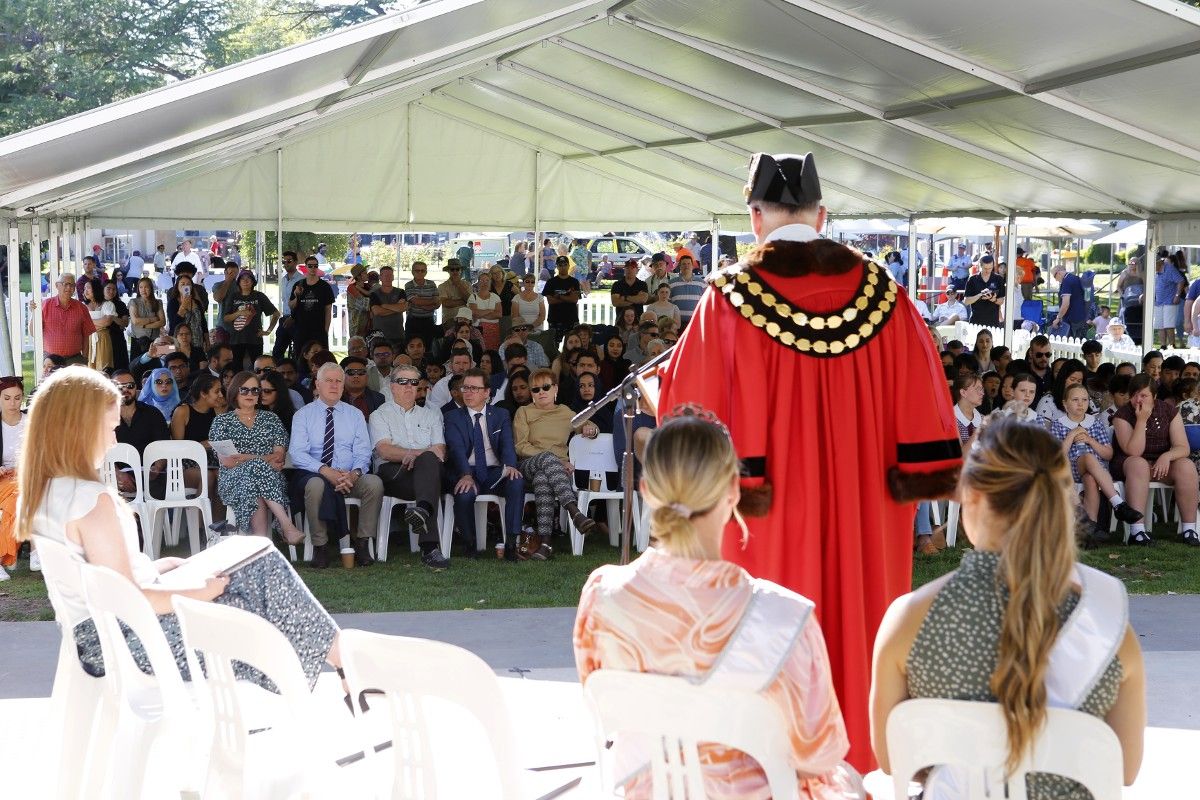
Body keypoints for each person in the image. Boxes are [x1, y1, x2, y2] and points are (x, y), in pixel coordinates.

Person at [658, 152, 961, 771]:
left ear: (755, 217)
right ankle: (862, 768)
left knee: (765, 651)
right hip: (866, 516)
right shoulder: (887, 295)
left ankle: (767, 771)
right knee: (867, 632)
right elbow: (927, 408)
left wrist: (654, 392)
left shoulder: (726, 300)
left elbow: (688, 420)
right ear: (822, 215)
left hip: (766, 525)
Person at [575, 411, 864, 799]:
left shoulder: (601, 596)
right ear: (733, 490)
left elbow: (602, 706)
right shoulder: (786, 617)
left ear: (645, 489)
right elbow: (818, 755)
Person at [16, 367, 342, 692]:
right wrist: (202, 591)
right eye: (110, 428)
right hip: (132, 640)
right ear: (80, 427)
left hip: (99, 635)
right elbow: (129, 598)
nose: (114, 440)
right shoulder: (91, 500)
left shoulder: (50, 492)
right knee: (257, 581)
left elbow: (104, 578)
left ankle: (332, 666)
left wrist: (160, 566)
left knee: (251, 555)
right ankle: (341, 664)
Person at [871, 418, 1145, 797]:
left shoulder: (908, 619)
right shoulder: (1111, 629)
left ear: (972, 496)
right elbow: (1125, 769)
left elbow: (891, 759)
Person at [288, 363, 385, 568]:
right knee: (315, 485)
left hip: (349, 476)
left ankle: (362, 543)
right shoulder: (303, 415)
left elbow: (363, 452)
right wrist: (325, 471)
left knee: (374, 483)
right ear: (317, 384)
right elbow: (297, 453)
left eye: (338, 381)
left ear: (343, 386)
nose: (334, 385)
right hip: (314, 473)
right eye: (329, 381)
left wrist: (354, 474)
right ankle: (320, 546)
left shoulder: (354, 414)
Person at [514, 369, 600, 560]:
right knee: (545, 462)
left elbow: (592, 426)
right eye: (535, 389)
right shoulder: (524, 412)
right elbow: (521, 447)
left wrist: (590, 430)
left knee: (543, 479)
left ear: (555, 389)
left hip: (553, 474)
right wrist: (556, 459)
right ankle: (574, 511)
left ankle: (545, 544)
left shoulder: (565, 412)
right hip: (528, 465)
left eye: (546, 387)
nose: (541, 392)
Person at [208, 371, 304, 543]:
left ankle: (260, 544)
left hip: (270, 480)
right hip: (234, 479)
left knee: (255, 477)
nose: (250, 394)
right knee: (256, 470)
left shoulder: (271, 419)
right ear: (235, 392)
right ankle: (285, 526)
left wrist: (244, 457)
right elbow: (228, 461)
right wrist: (262, 458)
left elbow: (279, 456)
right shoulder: (221, 422)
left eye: (255, 390)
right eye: (244, 390)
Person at [369, 364, 448, 569]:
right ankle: (430, 547)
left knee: (429, 463)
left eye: (414, 382)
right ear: (392, 386)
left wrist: (419, 458)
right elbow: (385, 450)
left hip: (425, 473)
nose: (409, 387)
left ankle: (422, 511)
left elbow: (440, 451)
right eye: (403, 381)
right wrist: (414, 454)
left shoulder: (431, 415)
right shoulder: (379, 415)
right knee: (428, 465)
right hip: (394, 473)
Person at [444, 369, 525, 560]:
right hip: (468, 470)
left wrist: (510, 465)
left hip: (495, 471)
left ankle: (512, 543)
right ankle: (470, 545)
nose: (468, 392)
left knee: (516, 481)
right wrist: (465, 474)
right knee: (464, 493)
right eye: (465, 388)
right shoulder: (452, 417)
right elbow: (455, 448)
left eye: (474, 388)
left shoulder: (501, 414)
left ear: (487, 392)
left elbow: (507, 444)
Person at [1112, 374, 1199, 547]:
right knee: (1139, 464)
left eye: (1144, 395)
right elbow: (1134, 451)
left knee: (1187, 466)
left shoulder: (1168, 411)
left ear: (1155, 396)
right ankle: (1137, 531)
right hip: (1130, 464)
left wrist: (1167, 456)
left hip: (1161, 463)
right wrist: (1141, 420)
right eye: (1134, 395)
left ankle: (1190, 529)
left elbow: (1183, 447)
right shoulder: (1121, 415)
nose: (1138, 400)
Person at [1051, 384, 1142, 545]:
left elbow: (1108, 454)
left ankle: (1088, 532)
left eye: (1085, 400)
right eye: (1075, 400)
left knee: (1091, 479)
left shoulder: (1095, 423)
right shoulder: (1059, 424)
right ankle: (1118, 503)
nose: (1080, 404)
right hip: (1070, 470)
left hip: (1097, 472)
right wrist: (1072, 435)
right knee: (1087, 457)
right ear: (1065, 404)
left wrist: (1090, 440)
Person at [221, 270, 278, 371]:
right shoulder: (233, 296)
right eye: (242, 279)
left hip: (255, 339)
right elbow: (225, 318)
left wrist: (268, 331)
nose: (245, 281)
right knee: (236, 368)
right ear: (238, 282)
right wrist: (239, 313)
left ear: (253, 282)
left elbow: (276, 314)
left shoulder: (259, 296)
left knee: (257, 368)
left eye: (249, 279)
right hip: (236, 339)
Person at [38, 273, 96, 366]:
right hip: (51, 360)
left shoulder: (81, 308)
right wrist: (34, 312)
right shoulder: (46, 305)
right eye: (65, 284)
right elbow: (34, 332)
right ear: (57, 285)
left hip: (75, 359)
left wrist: (84, 358)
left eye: (72, 285)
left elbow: (86, 335)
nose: (69, 288)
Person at [0, 378, 26, 580]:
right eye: (7, 398)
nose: (12, 403)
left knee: (15, 499)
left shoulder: (31, 422)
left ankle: (5, 556)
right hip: (2, 480)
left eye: (17, 398)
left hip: (26, 477)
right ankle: (10, 554)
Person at [290, 255, 336, 351]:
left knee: (320, 358)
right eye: (310, 266)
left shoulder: (325, 287)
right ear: (306, 267)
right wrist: (297, 296)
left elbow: (328, 310)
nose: (313, 268)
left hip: (318, 330)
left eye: (315, 266)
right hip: (301, 329)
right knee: (300, 357)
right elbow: (291, 305)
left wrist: (326, 330)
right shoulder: (298, 285)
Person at [541, 255, 582, 342]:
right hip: (555, 319)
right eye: (560, 265)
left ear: (568, 266)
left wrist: (559, 296)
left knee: (572, 345)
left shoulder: (574, 282)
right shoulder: (551, 282)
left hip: (571, 319)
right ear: (557, 266)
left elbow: (574, 300)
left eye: (565, 264)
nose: (563, 267)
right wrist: (568, 297)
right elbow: (550, 301)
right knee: (554, 346)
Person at [403, 261, 440, 348]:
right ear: (412, 272)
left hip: (429, 321)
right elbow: (415, 301)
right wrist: (431, 302)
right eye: (417, 270)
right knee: (412, 346)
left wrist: (422, 304)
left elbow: (438, 302)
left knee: (428, 347)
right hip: (413, 321)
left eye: (422, 271)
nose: (420, 273)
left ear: (426, 272)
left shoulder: (432, 284)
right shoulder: (408, 285)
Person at [1153, 249, 1185, 349]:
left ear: (1159, 263)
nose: (1152, 267)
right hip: (1158, 302)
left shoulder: (1169, 269)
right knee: (1159, 325)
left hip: (1170, 301)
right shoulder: (1154, 271)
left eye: (1154, 264)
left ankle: (1172, 345)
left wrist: (1177, 295)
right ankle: (1163, 346)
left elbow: (1181, 281)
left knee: (1169, 325)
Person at [80, 279, 114, 372]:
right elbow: (81, 324)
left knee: (103, 367)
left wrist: (88, 322)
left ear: (95, 289)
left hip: (103, 338)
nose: (85, 291)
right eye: (84, 288)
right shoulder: (82, 306)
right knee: (88, 368)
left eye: (88, 288)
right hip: (87, 339)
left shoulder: (107, 304)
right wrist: (99, 322)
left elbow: (107, 322)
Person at [127, 277, 165, 361]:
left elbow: (162, 322)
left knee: (153, 366)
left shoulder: (158, 302)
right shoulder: (134, 302)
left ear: (151, 288)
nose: (143, 290)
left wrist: (144, 326)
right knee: (136, 366)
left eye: (146, 287)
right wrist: (154, 319)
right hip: (137, 341)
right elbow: (135, 321)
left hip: (154, 341)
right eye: (141, 287)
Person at [964, 255, 1004, 327]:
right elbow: (966, 301)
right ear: (980, 266)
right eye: (985, 268)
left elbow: (1001, 301)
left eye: (990, 268)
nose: (988, 271)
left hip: (993, 321)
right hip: (976, 320)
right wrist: (980, 295)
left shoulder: (998, 279)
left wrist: (993, 299)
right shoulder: (972, 279)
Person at [467, 271, 502, 351]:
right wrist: (490, 310)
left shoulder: (495, 297)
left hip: (493, 331)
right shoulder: (473, 297)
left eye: (487, 280)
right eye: (482, 280)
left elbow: (499, 314)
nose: (485, 283)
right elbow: (474, 313)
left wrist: (481, 313)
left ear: (490, 282)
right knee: (479, 352)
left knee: (492, 353)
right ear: (478, 282)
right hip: (478, 329)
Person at [1051, 265, 1088, 338]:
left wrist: (1058, 318)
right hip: (1082, 315)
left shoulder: (1066, 282)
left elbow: (1065, 304)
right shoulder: (1075, 278)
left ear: (1058, 273)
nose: (1055, 279)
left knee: (1071, 343)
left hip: (1072, 319)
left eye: (1054, 276)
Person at [256, 369, 297, 433]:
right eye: (259, 390)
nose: (262, 394)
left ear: (279, 391)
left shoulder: (291, 418)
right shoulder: (257, 412)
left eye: (267, 391)